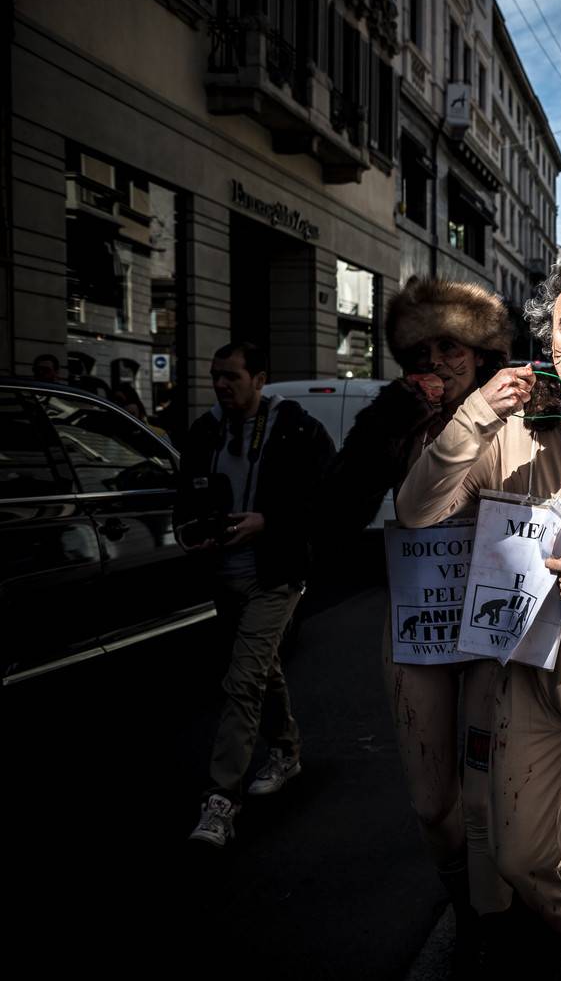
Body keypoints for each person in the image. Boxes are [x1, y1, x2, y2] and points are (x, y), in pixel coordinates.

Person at [397, 264, 561, 981]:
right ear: (548, 336)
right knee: (519, 854)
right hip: (525, 670)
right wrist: (476, 412)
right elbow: (416, 511)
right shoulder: (506, 424)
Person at [320, 277, 515, 963]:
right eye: (423, 348)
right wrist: (387, 424)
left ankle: (494, 920)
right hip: (419, 621)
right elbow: (340, 509)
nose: (438, 360)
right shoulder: (392, 414)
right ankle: (461, 899)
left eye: (453, 345)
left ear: (481, 349)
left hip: (496, 624)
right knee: (434, 805)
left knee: (491, 797)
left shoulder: (517, 406)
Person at [177, 341, 335, 847]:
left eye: (232, 377)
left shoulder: (295, 429)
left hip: (275, 574)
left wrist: (268, 521)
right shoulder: (205, 431)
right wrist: (191, 530)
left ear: (259, 379)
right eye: (215, 375)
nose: (221, 385)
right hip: (222, 573)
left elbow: (328, 497)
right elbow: (187, 497)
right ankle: (286, 752)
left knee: (240, 681)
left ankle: (221, 801)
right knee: (261, 670)